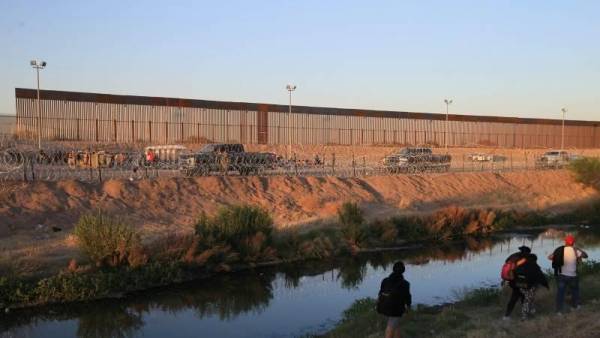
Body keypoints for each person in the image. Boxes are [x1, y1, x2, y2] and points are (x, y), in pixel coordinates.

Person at [548, 234, 588, 314]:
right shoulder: (575, 250)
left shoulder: (560, 250)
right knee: (575, 291)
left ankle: (559, 311)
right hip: (573, 275)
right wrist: (578, 249)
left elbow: (550, 257)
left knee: (560, 293)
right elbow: (586, 256)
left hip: (562, 275)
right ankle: (577, 307)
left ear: (565, 242)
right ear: (573, 242)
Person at [377, 261, 412, 338]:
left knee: (396, 325)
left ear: (393, 269)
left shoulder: (385, 280)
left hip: (382, 307)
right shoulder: (405, 284)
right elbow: (408, 298)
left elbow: (380, 293)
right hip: (395, 310)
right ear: (403, 270)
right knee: (390, 328)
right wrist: (408, 308)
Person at [513, 253, 549, 320]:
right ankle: (524, 317)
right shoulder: (534, 266)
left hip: (520, 285)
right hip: (529, 286)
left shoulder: (521, 265)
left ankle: (532, 312)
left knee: (529, 298)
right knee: (527, 300)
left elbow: (515, 274)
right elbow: (541, 277)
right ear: (534, 259)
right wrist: (546, 285)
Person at [503, 245, 530, 320]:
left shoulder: (513, 256)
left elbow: (507, 263)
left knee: (519, 296)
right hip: (520, 281)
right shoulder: (525, 258)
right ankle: (524, 315)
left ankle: (507, 315)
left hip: (512, 280)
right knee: (520, 297)